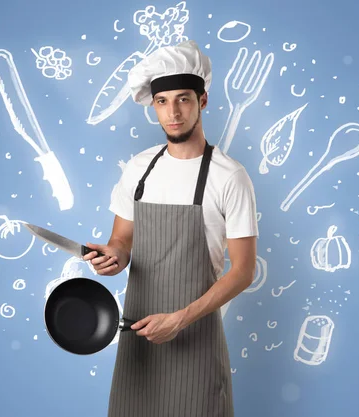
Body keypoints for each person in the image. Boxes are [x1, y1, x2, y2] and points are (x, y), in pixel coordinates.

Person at [83, 39, 259, 417]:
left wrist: (179, 320)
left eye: (183, 99)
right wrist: (111, 257)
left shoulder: (230, 177)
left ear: (203, 101)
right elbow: (122, 241)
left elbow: (244, 271)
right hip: (138, 338)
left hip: (194, 337)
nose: (172, 112)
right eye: (162, 101)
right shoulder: (139, 169)